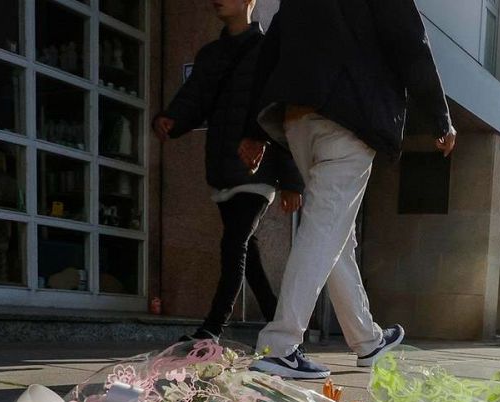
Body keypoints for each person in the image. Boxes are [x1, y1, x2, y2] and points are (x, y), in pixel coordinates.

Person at [237, 0, 456, 379]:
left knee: (336, 232)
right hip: (349, 116)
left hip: (298, 118)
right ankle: (279, 346)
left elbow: (271, 49)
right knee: (325, 227)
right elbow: (410, 42)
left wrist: (254, 130)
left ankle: (367, 339)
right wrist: (440, 117)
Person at [153, 0, 304, 342]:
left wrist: (291, 181)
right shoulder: (210, 55)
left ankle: (211, 330)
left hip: (257, 169)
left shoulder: (269, 51)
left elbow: (282, 115)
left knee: (232, 245)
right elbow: (193, 100)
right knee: (246, 253)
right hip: (222, 168)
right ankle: (277, 323)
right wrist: (170, 120)